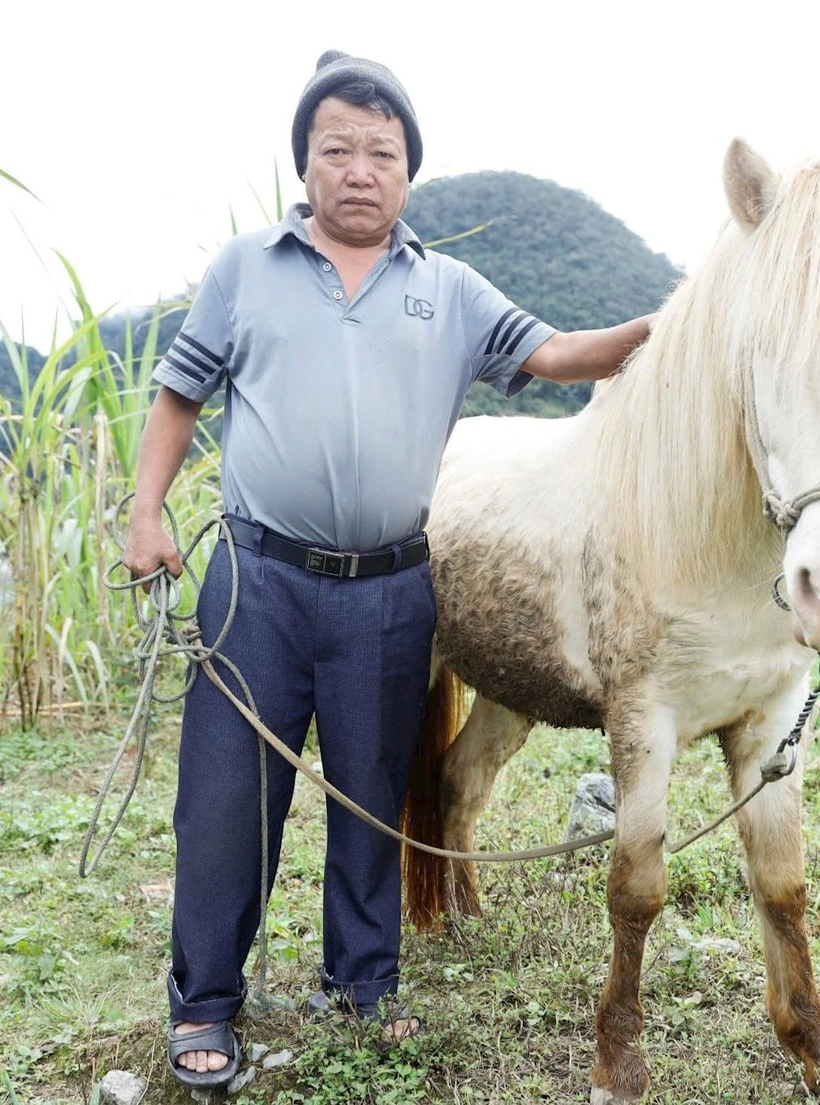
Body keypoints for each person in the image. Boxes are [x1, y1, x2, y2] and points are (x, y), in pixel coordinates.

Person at [121, 51, 652, 1090]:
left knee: (371, 792)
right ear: (306, 165)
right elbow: (179, 396)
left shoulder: (447, 289)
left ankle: (361, 987)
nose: (359, 168)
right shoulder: (246, 268)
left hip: (391, 589)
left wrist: (669, 331)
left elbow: (558, 356)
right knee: (228, 797)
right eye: (338, 151)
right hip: (258, 580)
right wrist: (146, 512)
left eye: (382, 152)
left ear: (409, 172)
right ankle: (205, 1005)